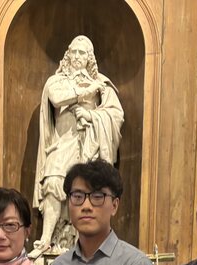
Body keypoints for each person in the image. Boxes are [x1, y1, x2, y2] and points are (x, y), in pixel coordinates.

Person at [33, 35, 124, 252]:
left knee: (88, 191)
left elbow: (115, 115)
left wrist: (92, 116)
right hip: (62, 144)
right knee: (53, 181)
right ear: (67, 54)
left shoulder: (102, 84)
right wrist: (86, 92)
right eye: (73, 51)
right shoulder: (57, 81)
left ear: (89, 58)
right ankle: (46, 240)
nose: (76, 56)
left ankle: (83, 243)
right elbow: (56, 98)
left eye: (82, 53)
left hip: (88, 147)